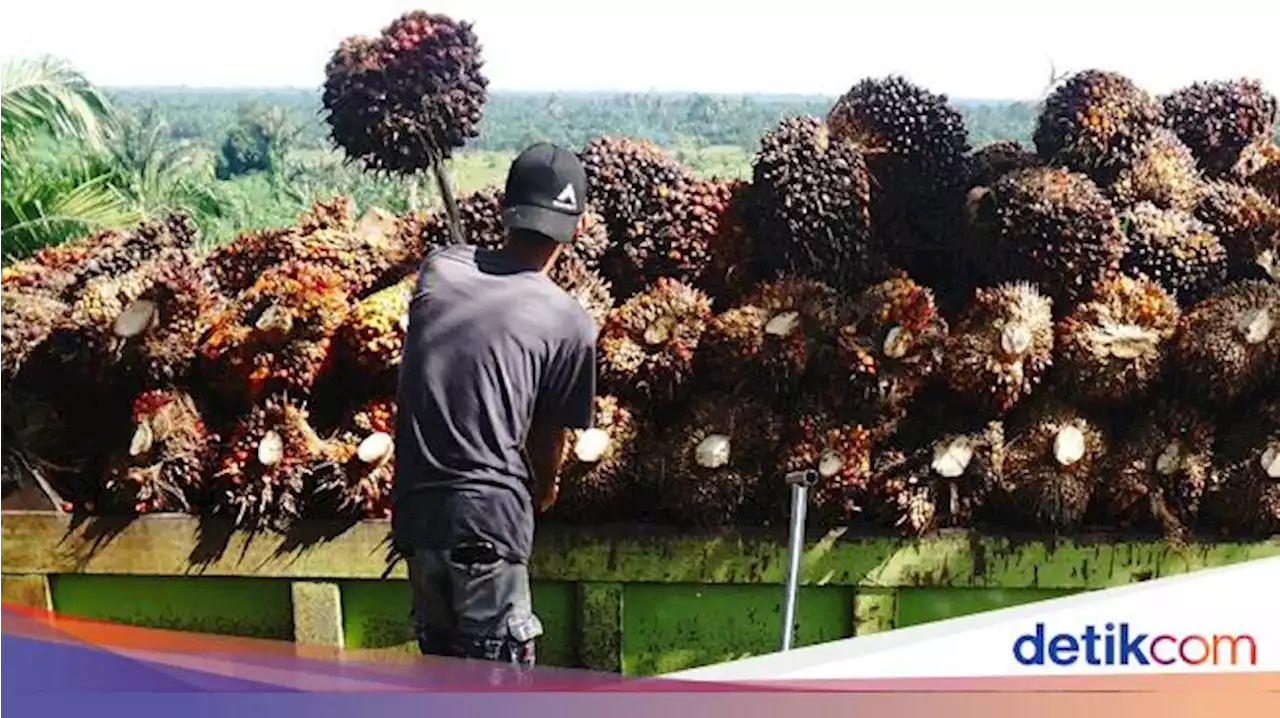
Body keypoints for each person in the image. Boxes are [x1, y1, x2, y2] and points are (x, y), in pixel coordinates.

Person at [391, 142, 598, 673]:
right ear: (575, 228)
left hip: (417, 516)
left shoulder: (437, 270)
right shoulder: (569, 322)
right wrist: (546, 488)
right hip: (486, 523)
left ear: (507, 209)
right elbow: (547, 436)